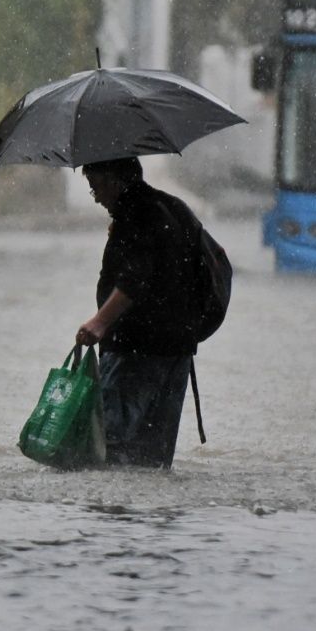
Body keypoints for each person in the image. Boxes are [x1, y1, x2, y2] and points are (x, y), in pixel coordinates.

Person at [74, 156, 202, 469]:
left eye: (96, 187)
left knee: (112, 449)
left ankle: (117, 517)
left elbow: (135, 278)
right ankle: (149, 516)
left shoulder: (136, 214)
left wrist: (99, 323)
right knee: (153, 460)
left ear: (115, 181)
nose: (97, 198)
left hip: (135, 347)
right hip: (178, 348)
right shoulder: (174, 207)